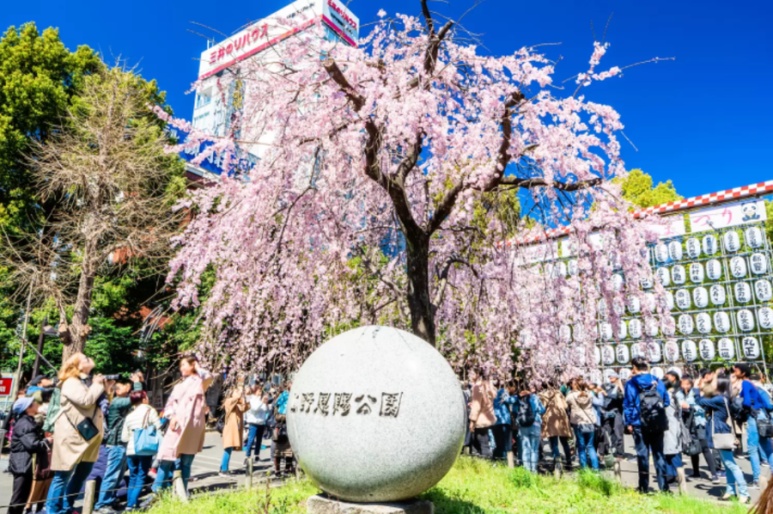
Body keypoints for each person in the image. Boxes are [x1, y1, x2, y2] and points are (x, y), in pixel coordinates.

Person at [45, 353, 106, 514]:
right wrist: (97, 384)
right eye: (85, 358)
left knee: (82, 474)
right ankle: (53, 510)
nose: (89, 359)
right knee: (63, 475)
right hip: (73, 436)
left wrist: (104, 386)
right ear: (77, 365)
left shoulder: (83, 381)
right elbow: (85, 401)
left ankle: (67, 506)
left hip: (88, 436)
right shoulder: (70, 382)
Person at [151, 355, 213, 497]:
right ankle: (157, 490)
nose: (181, 368)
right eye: (181, 365)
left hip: (192, 425)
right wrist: (171, 416)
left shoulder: (199, 382)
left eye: (184, 364)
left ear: (193, 365)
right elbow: (170, 404)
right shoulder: (179, 385)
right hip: (177, 424)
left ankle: (182, 492)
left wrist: (197, 367)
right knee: (166, 456)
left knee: (186, 461)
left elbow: (208, 376)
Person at [696, 375, 750, 504]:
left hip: (721, 433)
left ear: (720, 384)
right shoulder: (722, 397)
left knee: (731, 464)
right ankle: (730, 491)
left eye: (714, 381)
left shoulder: (719, 399)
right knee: (727, 464)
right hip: (721, 431)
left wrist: (697, 388)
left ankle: (744, 493)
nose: (711, 383)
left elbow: (699, 401)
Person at [94, 373, 143, 513]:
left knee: (118, 475)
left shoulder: (117, 402)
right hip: (116, 444)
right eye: (122, 387)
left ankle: (110, 499)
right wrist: (137, 383)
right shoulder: (117, 402)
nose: (127, 387)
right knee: (112, 474)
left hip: (120, 444)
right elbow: (136, 397)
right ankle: (102, 504)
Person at [623, 356, 669, 493]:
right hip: (657, 422)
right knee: (659, 454)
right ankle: (664, 488)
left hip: (639, 423)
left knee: (642, 455)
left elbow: (628, 404)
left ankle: (644, 487)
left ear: (635, 368)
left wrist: (629, 422)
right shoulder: (657, 381)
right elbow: (666, 401)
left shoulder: (631, 383)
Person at [732, 362, 773, 489]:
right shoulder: (754, 385)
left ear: (743, 373)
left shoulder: (745, 383)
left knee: (752, 448)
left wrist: (739, 404)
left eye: (736, 371)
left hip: (753, 417)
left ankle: (756, 479)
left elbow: (747, 402)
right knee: (766, 446)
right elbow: (766, 405)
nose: (735, 373)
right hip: (762, 416)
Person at [8, 397, 51, 514]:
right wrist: (47, 441)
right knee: (19, 497)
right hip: (22, 464)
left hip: (22, 463)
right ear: (28, 408)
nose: (37, 404)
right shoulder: (25, 423)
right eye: (33, 403)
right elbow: (33, 445)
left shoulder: (27, 421)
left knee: (21, 496)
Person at [121, 390, 161, 511]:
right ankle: (132, 504)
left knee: (133, 476)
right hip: (145, 449)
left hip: (131, 450)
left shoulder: (129, 415)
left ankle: (130, 503)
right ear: (144, 399)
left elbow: (124, 437)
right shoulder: (150, 410)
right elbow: (158, 427)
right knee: (141, 476)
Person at [676, 374, 719, 482]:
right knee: (692, 446)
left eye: (687, 384)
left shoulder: (696, 393)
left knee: (704, 447)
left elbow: (701, 406)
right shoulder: (678, 393)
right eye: (682, 384)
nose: (684, 386)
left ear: (690, 384)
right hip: (686, 424)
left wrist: (690, 406)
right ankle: (696, 472)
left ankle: (714, 474)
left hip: (699, 422)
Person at [566, 378, 600, 471]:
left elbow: (566, 404)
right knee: (590, 446)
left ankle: (584, 468)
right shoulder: (589, 394)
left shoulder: (571, 396)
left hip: (578, 423)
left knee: (581, 446)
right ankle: (595, 468)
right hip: (589, 421)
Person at [539, 382, 573, 472]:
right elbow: (565, 405)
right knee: (564, 442)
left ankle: (557, 463)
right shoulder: (559, 393)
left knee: (554, 443)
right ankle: (569, 463)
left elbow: (542, 408)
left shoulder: (544, 395)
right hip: (562, 418)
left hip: (551, 418)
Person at [663, 370, 687, 493]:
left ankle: (674, 475)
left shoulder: (668, 396)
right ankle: (671, 475)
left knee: (671, 451)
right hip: (675, 425)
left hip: (670, 426)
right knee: (673, 450)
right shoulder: (675, 394)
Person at [598, 373, 624, 472]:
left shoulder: (620, 386)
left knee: (618, 432)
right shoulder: (606, 386)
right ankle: (602, 452)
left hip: (617, 412)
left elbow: (620, 397)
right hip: (606, 411)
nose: (610, 378)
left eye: (612, 377)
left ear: (617, 378)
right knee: (604, 432)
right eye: (609, 377)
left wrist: (620, 386)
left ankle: (619, 454)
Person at [468, 369, 496, 458]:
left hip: (480, 420)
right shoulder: (489, 386)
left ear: (477, 374)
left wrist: (472, 421)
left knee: (481, 445)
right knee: (485, 443)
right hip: (488, 418)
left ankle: (484, 466)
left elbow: (476, 406)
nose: (470, 375)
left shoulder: (478, 387)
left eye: (472, 373)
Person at [517, 386, 545, 473]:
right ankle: (534, 470)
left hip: (523, 425)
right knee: (534, 449)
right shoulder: (535, 398)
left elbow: (515, 410)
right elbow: (542, 410)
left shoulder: (519, 398)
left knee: (525, 448)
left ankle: (527, 470)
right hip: (535, 424)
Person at [220, 386, 247, 476]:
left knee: (229, 449)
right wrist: (238, 395)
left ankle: (223, 467)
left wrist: (243, 398)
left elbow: (244, 408)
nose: (238, 393)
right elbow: (230, 403)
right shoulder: (229, 401)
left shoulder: (237, 403)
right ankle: (224, 470)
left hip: (235, 429)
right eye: (236, 391)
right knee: (228, 448)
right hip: (229, 429)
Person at [244, 387, 271, 462]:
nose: (260, 392)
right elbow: (254, 409)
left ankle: (257, 455)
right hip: (253, 422)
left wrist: (266, 403)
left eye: (261, 391)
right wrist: (262, 402)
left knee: (259, 440)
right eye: (259, 391)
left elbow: (265, 410)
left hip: (261, 422)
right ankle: (247, 456)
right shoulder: (251, 399)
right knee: (251, 439)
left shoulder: (261, 399)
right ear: (255, 391)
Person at [492, 381, 516, 460]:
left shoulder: (495, 393)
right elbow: (510, 400)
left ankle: (500, 461)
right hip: (504, 421)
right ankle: (506, 461)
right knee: (506, 444)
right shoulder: (503, 391)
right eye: (514, 388)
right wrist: (517, 397)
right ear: (510, 387)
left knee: (499, 444)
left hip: (496, 421)